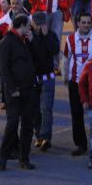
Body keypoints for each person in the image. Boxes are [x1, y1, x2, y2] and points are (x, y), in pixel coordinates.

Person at [0, 14, 38, 171]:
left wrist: (33, 41)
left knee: (27, 125)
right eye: (28, 25)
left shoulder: (26, 41)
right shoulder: (6, 42)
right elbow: (3, 69)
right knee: (12, 124)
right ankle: (3, 156)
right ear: (21, 25)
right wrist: (12, 88)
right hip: (15, 91)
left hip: (29, 88)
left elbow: (37, 56)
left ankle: (24, 158)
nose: (30, 28)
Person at [63, 12, 92, 157]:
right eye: (83, 22)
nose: (85, 25)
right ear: (77, 23)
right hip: (76, 82)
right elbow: (66, 59)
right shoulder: (70, 39)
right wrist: (66, 75)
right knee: (77, 114)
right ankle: (80, 144)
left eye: (88, 22)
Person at [29, 0, 74, 72]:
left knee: (56, 39)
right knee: (40, 38)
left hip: (57, 13)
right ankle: (41, 64)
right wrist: (36, 8)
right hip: (42, 13)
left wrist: (65, 6)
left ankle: (55, 66)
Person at [30, 12, 60, 152]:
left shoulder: (52, 36)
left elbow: (54, 50)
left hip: (48, 77)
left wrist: (46, 36)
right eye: (37, 23)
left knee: (47, 108)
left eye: (42, 23)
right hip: (34, 78)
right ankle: (38, 135)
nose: (40, 26)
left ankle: (46, 137)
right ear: (32, 23)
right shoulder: (29, 37)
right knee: (35, 109)